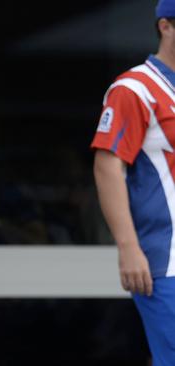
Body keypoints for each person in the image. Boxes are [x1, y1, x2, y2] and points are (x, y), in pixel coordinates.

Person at [92, 1, 175, 364]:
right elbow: (108, 165)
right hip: (166, 260)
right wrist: (128, 246)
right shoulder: (135, 87)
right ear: (165, 26)